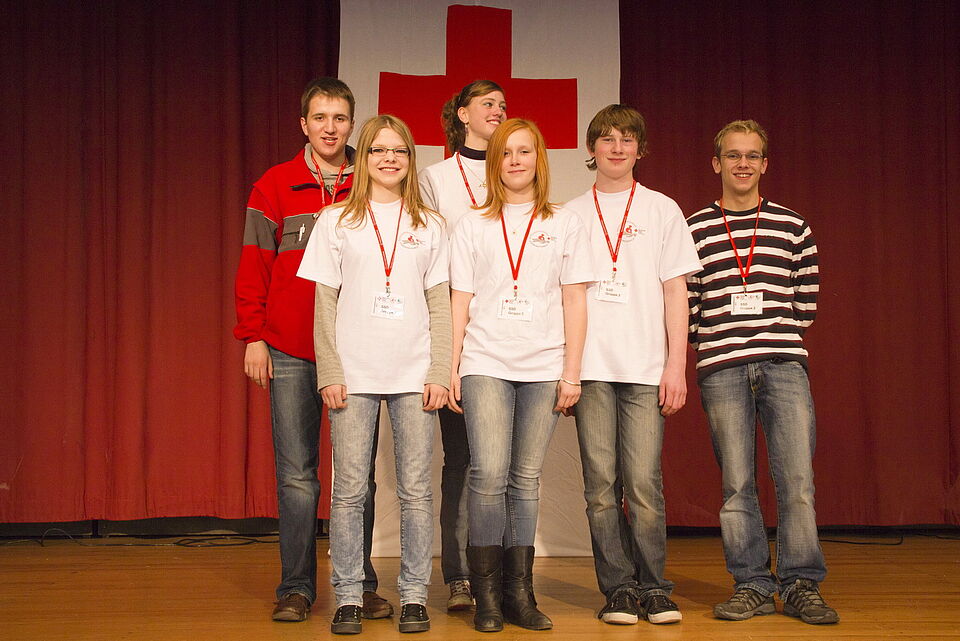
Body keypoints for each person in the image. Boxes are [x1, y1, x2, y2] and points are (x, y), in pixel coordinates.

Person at [233, 77, 392, 622]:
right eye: (320, 118)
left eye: (340, 118)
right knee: (298, 475)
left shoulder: (372, 181)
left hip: (357, 351)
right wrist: (254, 336)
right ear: (304, 124)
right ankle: (297, 588)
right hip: (290, 348)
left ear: (352, 124)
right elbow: (253, 265)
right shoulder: (274, 185)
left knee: (357, 477)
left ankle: (360, 584)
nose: (330, 128)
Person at [298, 114, 451, 635]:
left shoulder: (431, 225)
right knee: (348, 492)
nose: (389, 159)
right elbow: (324, 304)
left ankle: (414, 596)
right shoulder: (336, 220)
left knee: (415, 491)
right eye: (378, 150)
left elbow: (440, 304)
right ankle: (348, 596)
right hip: (354, 373)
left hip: (414, 373)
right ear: (362, 158)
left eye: (399, 151)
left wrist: (440, 370)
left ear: (410, 159)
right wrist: (329, 370)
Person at [686, 119, 839, 625]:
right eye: (733, 155)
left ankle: (800, 584)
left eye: (752, 155)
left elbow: (806, 299)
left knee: (796, 479)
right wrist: (714, 341)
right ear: (717, 163)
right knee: (736, 484)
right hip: (722, 367)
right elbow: (687, 302)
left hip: (783, 363)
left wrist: (773, 333)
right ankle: (751, 583)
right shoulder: (693, 228)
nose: (743, 164)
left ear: (765, 164)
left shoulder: (793, 226)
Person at [449, 118, 593, 632]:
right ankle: (486, 595)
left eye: (524, 151)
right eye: (506, 152)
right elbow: (460, 300)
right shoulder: (471, 224)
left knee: (525, 479)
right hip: (484, 362)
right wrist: (450, 367)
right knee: (488, 474)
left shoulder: (565, 223)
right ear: (494, 161)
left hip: (544, 366)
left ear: (539, 159)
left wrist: (572, 373)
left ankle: (519, 592)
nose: (515, 160)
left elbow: (575, 300)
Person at [565, 105, 701, 625]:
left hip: (646, 369)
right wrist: (566, 371)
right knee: (601, 488)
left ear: (640, 149)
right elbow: (563, 296)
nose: (617, 147)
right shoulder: (570, 214)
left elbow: (676, 292)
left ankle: (654, 588)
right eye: (607, 138)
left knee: (644, 485)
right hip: (591, 369)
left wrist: (676, 366)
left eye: (627, 139)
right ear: (592, 148)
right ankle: (618, 589)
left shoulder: (662, 209)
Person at [418, 79, 507, 611]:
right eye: (488, 103)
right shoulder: (435, 178)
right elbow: (428, 253)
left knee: (500, 464)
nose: (498, 110)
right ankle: (458, 577)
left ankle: (497, 573)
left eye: (503, 105)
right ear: (462, 114)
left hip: (505, 333)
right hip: (455, 329)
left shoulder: (512, 169)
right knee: (463, 460)